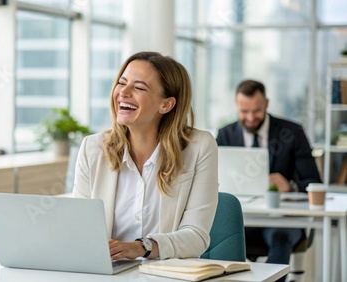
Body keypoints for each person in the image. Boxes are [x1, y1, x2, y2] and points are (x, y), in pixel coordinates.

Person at [73, 51, 218, 260]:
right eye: (122, 83)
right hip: (108, 274)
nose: (124, 92)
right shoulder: (92, 148)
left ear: (166, 104)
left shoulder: (199, 147)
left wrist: (142, 247)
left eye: (139, 87)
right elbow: (80, 227)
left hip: (166, 275)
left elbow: (196, 237)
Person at [216, 79, 321, 281]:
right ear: (236, 105)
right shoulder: (225, 135)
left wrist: (290, 186)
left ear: (267, 104)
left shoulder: (292, 133)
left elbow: (313, 181)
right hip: (243, 219)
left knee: (280, 237)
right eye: (244, 112)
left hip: (281, 221)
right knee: (217, 238)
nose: (250, 118)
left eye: (256, 111)